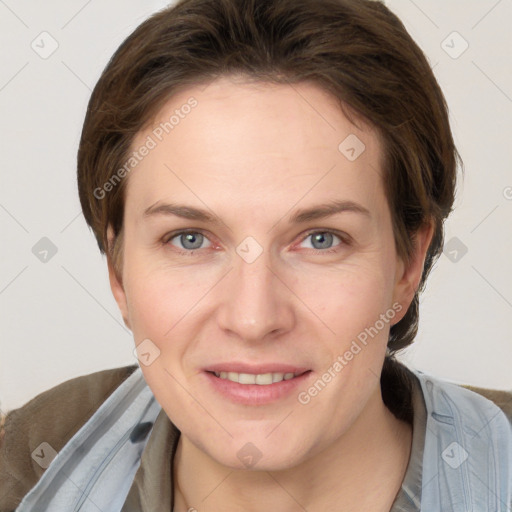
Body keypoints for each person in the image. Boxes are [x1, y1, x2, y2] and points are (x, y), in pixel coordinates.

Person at [1, 0, 511, 510]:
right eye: (190, 239)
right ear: (118, 269)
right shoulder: (29, 465)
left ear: (407, 265)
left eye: (321, 239)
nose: (252, 319)